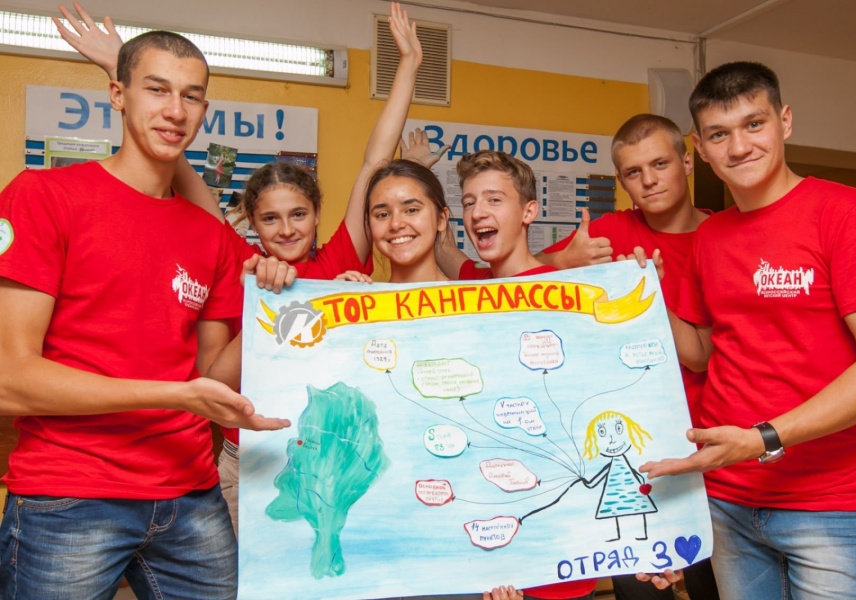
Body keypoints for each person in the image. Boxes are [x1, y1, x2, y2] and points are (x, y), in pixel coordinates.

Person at [55, 1, 426, 541]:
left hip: (329, 458)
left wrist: (409, 65)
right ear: (251, 222)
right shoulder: (232, 256)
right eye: (270, 219)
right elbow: (170, 157)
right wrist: (125, 69)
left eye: (299, 215)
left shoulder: (339, 262)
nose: (287, 230)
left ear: (317, 215)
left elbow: (375, 161)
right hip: (242, 458)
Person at [0, 26, 291, 599]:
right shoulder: (43, 196)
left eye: (190, 96)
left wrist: (269, 305)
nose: (175, 111)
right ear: (117, 94)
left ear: (203, 110)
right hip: (71, 493)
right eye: (157, 89)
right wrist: (174, 395)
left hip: (190, 495)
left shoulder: (209, 237)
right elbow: (10, 380)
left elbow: (209, 377)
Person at [639, 61, 856, 600]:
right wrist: (648, 295)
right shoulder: (710, 237)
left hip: (834, 502)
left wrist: (762, 439)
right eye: (719, 134)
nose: (739, 147)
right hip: (727, 499)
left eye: (753, 124)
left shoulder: (850, 213)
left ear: (785, 121)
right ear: (700, 148)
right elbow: (702, 355)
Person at [456, 150, 680, 600]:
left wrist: (658, 536)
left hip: (561, 546)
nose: (478, 212)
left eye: (494, 199)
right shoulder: (462, 296)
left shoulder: (582, 296)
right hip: (483, 542)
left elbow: (627, 405)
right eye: (468, 202)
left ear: (529, 212)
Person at [537, 114, 719, 600]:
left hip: (711, 447)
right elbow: (517, 277)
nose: (649, 180)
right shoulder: (607, 231)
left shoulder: (722, 236)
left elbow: (701, 357)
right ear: (621, 180)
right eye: (634, 172)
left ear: (687, 161)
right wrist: (563, 262)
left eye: (660, 164)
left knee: (713, 585)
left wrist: (649, 295)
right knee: (642, 593)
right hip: (632, 451)